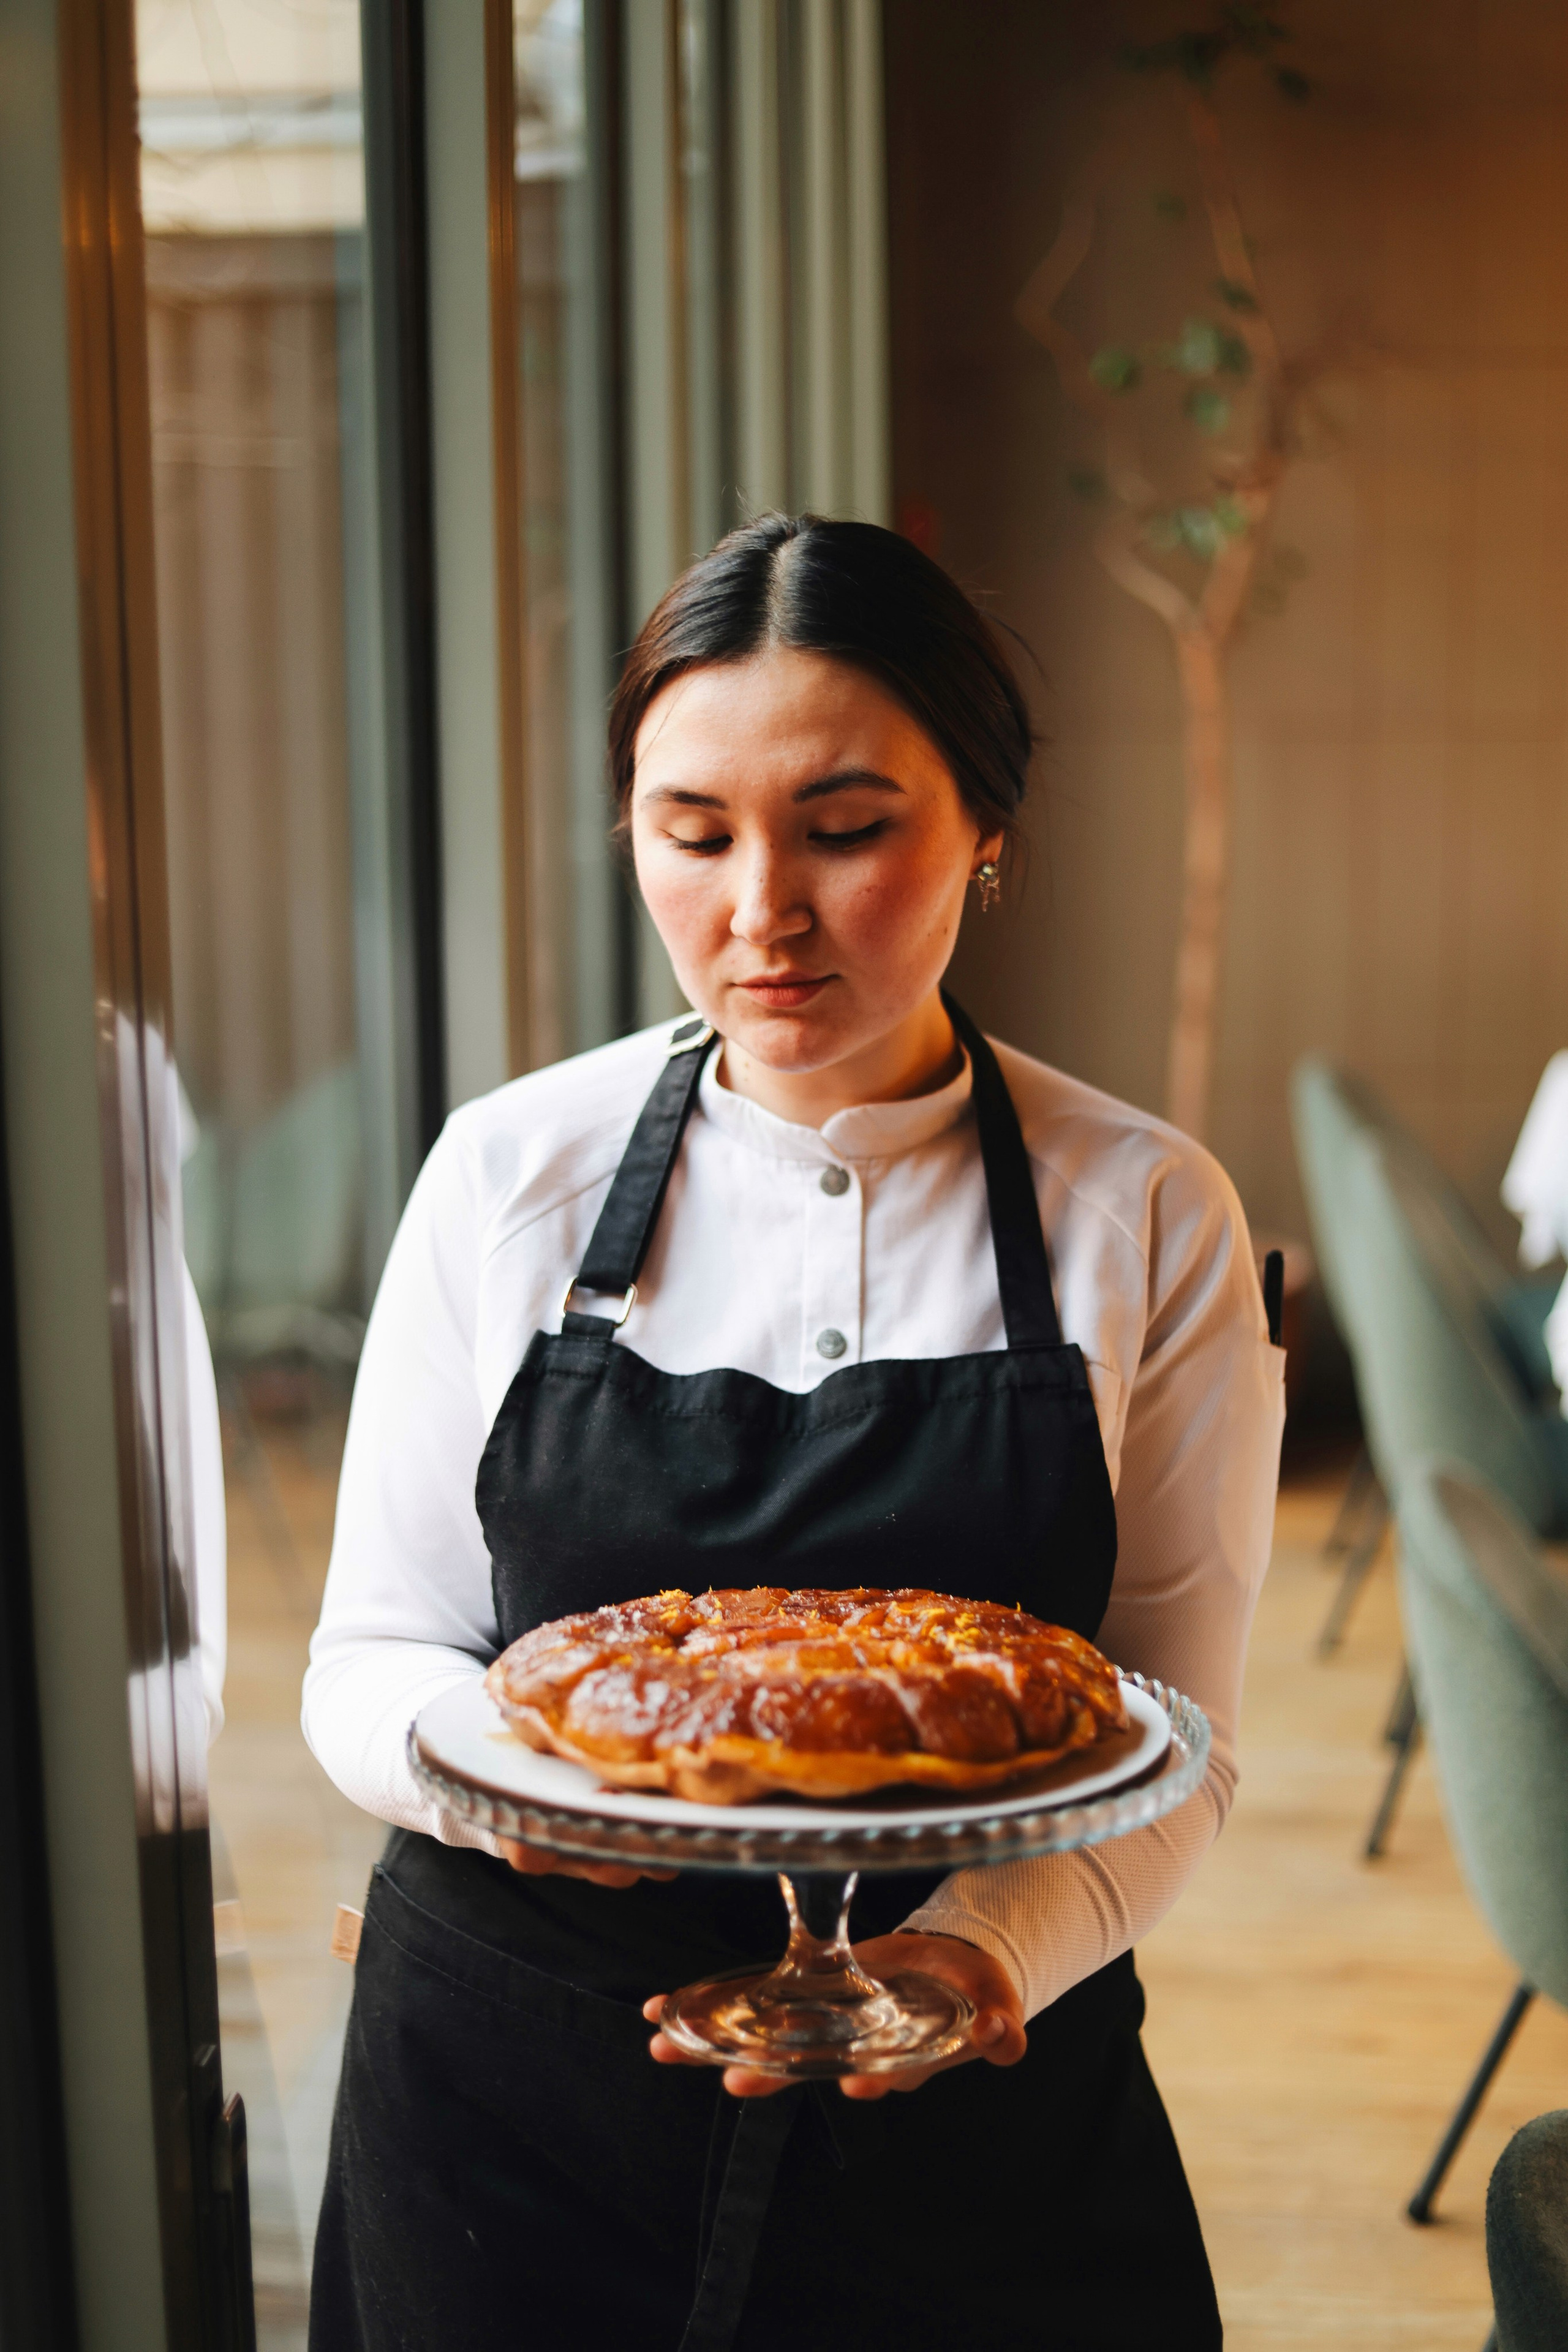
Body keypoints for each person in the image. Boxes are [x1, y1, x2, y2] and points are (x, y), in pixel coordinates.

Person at [303, 514, 1284, 2351]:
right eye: (693, 835)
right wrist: (506, 1794)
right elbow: (368, 1658)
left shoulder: (1146, 1210)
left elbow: (1183, 1726)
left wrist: (981, 1956)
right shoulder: (513, 1175)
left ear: (987, 830)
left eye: (846, 830)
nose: (762, 908)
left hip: (974, 2113)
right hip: (511, 2110)